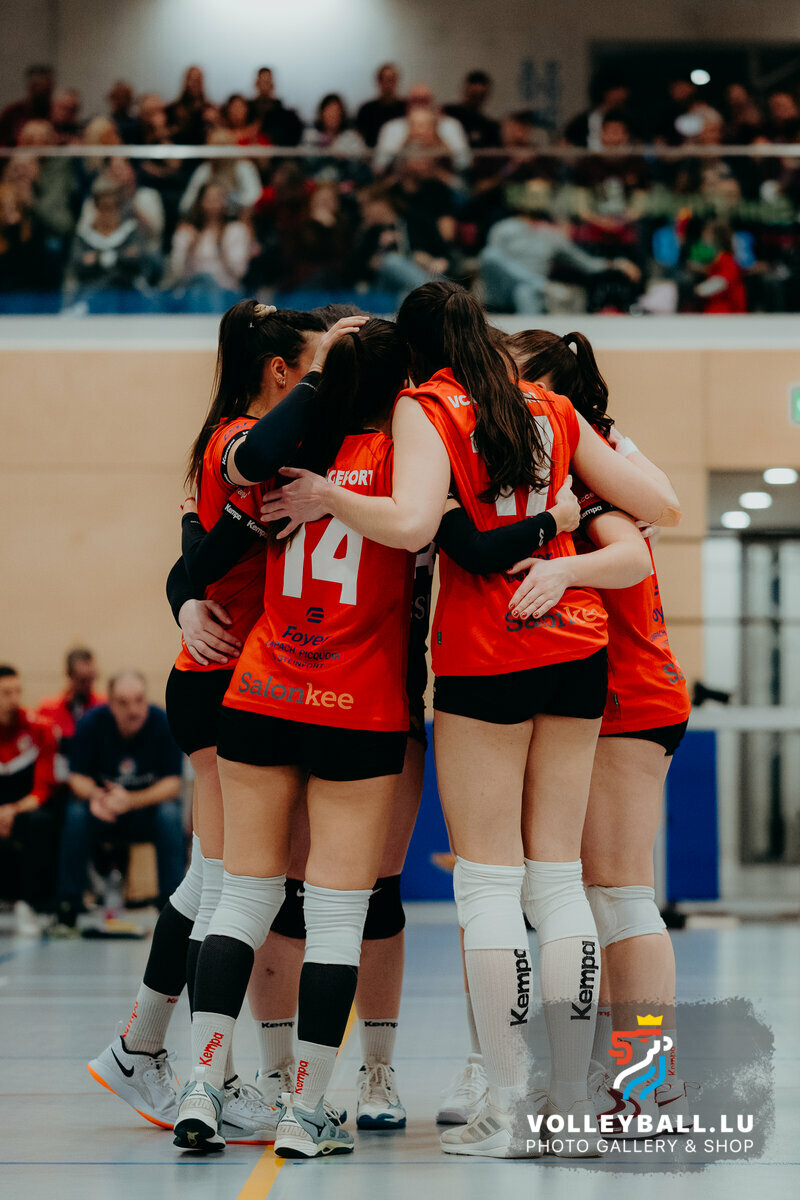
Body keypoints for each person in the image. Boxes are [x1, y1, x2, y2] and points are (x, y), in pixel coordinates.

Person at [260, 281, 681, 1158]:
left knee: (489, 884)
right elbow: (658, 507)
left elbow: (413, 523)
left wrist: (331, 497)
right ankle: (570, 1104)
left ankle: (511, 1105)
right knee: (559, 882)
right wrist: (562, 527)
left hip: (487, 651)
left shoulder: (425, 405)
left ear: (416, 353)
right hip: (576, 647)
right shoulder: (551, 406)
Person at [171, 317, 420, 1159]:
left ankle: (202, 1084)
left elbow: (224, 503)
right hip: (357, 703)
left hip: (264, 689)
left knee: (242, 899)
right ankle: (305, 1109)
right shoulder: (407, 461)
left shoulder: (291, 451)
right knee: (339, 915)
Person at [88, 303, 332, 1145]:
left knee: (207, 884)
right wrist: (191, 593)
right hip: (224, 680)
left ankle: (142, 1047)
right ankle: (202, 1075)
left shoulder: (247, 440)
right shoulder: (237, 438)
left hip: (228, 675)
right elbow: (209, 533)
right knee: (230, 889)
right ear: (280, 370)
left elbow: (191, 561)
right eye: (309, 364)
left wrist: (189, 589)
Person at [508, 328, 693, 1128]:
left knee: (620, 896)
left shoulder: (593, 468)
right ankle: (623, 1075)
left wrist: (562, 568)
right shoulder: (574, 460)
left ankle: (652, 1082)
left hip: (630, 697)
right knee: (595, 897)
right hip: (603, 697)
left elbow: (636, 555)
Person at [56, 671, 184, 926]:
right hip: (103, 811)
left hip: (143, 813)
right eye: (123, 703)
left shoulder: (162, 723)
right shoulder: (91, 723)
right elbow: (76, 777)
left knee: (169, 815)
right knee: (75, 814)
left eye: (139, 700)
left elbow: (173, 784)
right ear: (111, 704)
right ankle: (68, 905)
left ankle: (174, 910)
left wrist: (131, 800)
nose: (133, 710)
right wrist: (98, 796)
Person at [480, 202, 640, 313]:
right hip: (501, 289)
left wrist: (617, 264)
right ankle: (540, 284)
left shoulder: (553, 235)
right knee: (490, 254)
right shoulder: (503, 228)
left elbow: (586, 263)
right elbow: (491, 261)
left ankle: (528, 344)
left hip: (531, 292)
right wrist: (541, 284)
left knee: (524, 292)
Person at [0, 665, 58, 933]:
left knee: (43, 821)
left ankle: (31, 904)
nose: (14, 699)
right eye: (6, 693)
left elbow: (42, 789)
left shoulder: (39, 729)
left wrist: (11, 811)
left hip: (24, 809)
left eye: (17, 692)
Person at [167, 182, 253, 310]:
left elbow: (239, 271)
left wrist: (221, 247)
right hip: (193, 292)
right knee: (199, 284)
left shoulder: (236, 231)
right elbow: (178, 272)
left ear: (225, 202)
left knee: (207, 282)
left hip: (226, 293)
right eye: (209, 199)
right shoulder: (187, 232)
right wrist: (190, 249)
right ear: (200, 201)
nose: (213, 204)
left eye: (217, 199)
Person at [37, 647, 105, 780]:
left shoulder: (103, 706)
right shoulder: (48, 709)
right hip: (58, 780)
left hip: (94, 777)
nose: (88, 685)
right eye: (83, 680)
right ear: (69, 676)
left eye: (91, 678)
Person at [374, 84, 471, 173]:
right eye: (416, 100)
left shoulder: (451, 125)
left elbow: (464, 162)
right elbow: (380, 164)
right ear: (408, 104)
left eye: (425, 100)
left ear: (432, 102)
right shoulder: (391, 127)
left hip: (442, 178)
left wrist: (436, 139)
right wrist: (407, 140)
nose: (420, 105)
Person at [563, 71, 632, 150]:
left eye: (623, 89)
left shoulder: (629, 119)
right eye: (617, 89)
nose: (621, 93)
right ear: (605, 91)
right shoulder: (583, 120)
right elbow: (566, 142)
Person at [444, 70, 501, 150]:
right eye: (473, 94)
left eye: (480, 95)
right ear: (464, 90)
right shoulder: (447, 113)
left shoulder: (489, 126)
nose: (476, 99)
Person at [0, 64, 54, 146]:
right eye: (38, 86)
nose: (41, 90)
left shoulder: (57, 113)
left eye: (46, 87)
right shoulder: (12, 113)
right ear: (30, 86)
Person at [248, 68, 303, 147]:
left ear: (272, 84)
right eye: (262, 82)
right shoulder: (248, 107)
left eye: (267, 82)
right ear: (257, 83)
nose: (264, 86)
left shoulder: (281, 111)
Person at [356, 63, 406, 149]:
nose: (388, 84)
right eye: (385, 79)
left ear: (396, 81)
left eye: (391, 79)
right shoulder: (366, 109)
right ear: (379, 82)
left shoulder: (405, 108)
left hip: (399, 154)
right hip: (370, 154)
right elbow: (359, 138)